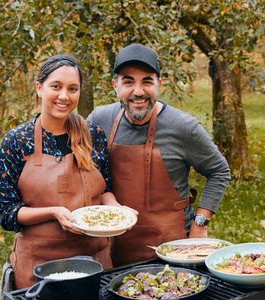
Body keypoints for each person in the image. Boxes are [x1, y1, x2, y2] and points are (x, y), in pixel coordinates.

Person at [88, 44, 231, 267]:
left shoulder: (184, 127)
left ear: (159, 85)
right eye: (128, 81)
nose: (138, 91)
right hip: (113, 250)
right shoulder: (99, 120)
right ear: (114, 85)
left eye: (147, 81)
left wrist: (200, 223)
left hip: (172, 254)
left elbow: (219, 171)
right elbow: (89, 173)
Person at [0, 54, 121, 289]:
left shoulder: (94, 135)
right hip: (39, 266)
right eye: (56, 87)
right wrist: (53, 212)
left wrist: (116, 210)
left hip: (95, 260)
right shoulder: (17, 141)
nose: (64, 96)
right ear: (39, 88)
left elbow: (105, 190)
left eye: (73, 89)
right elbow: (6, 213)